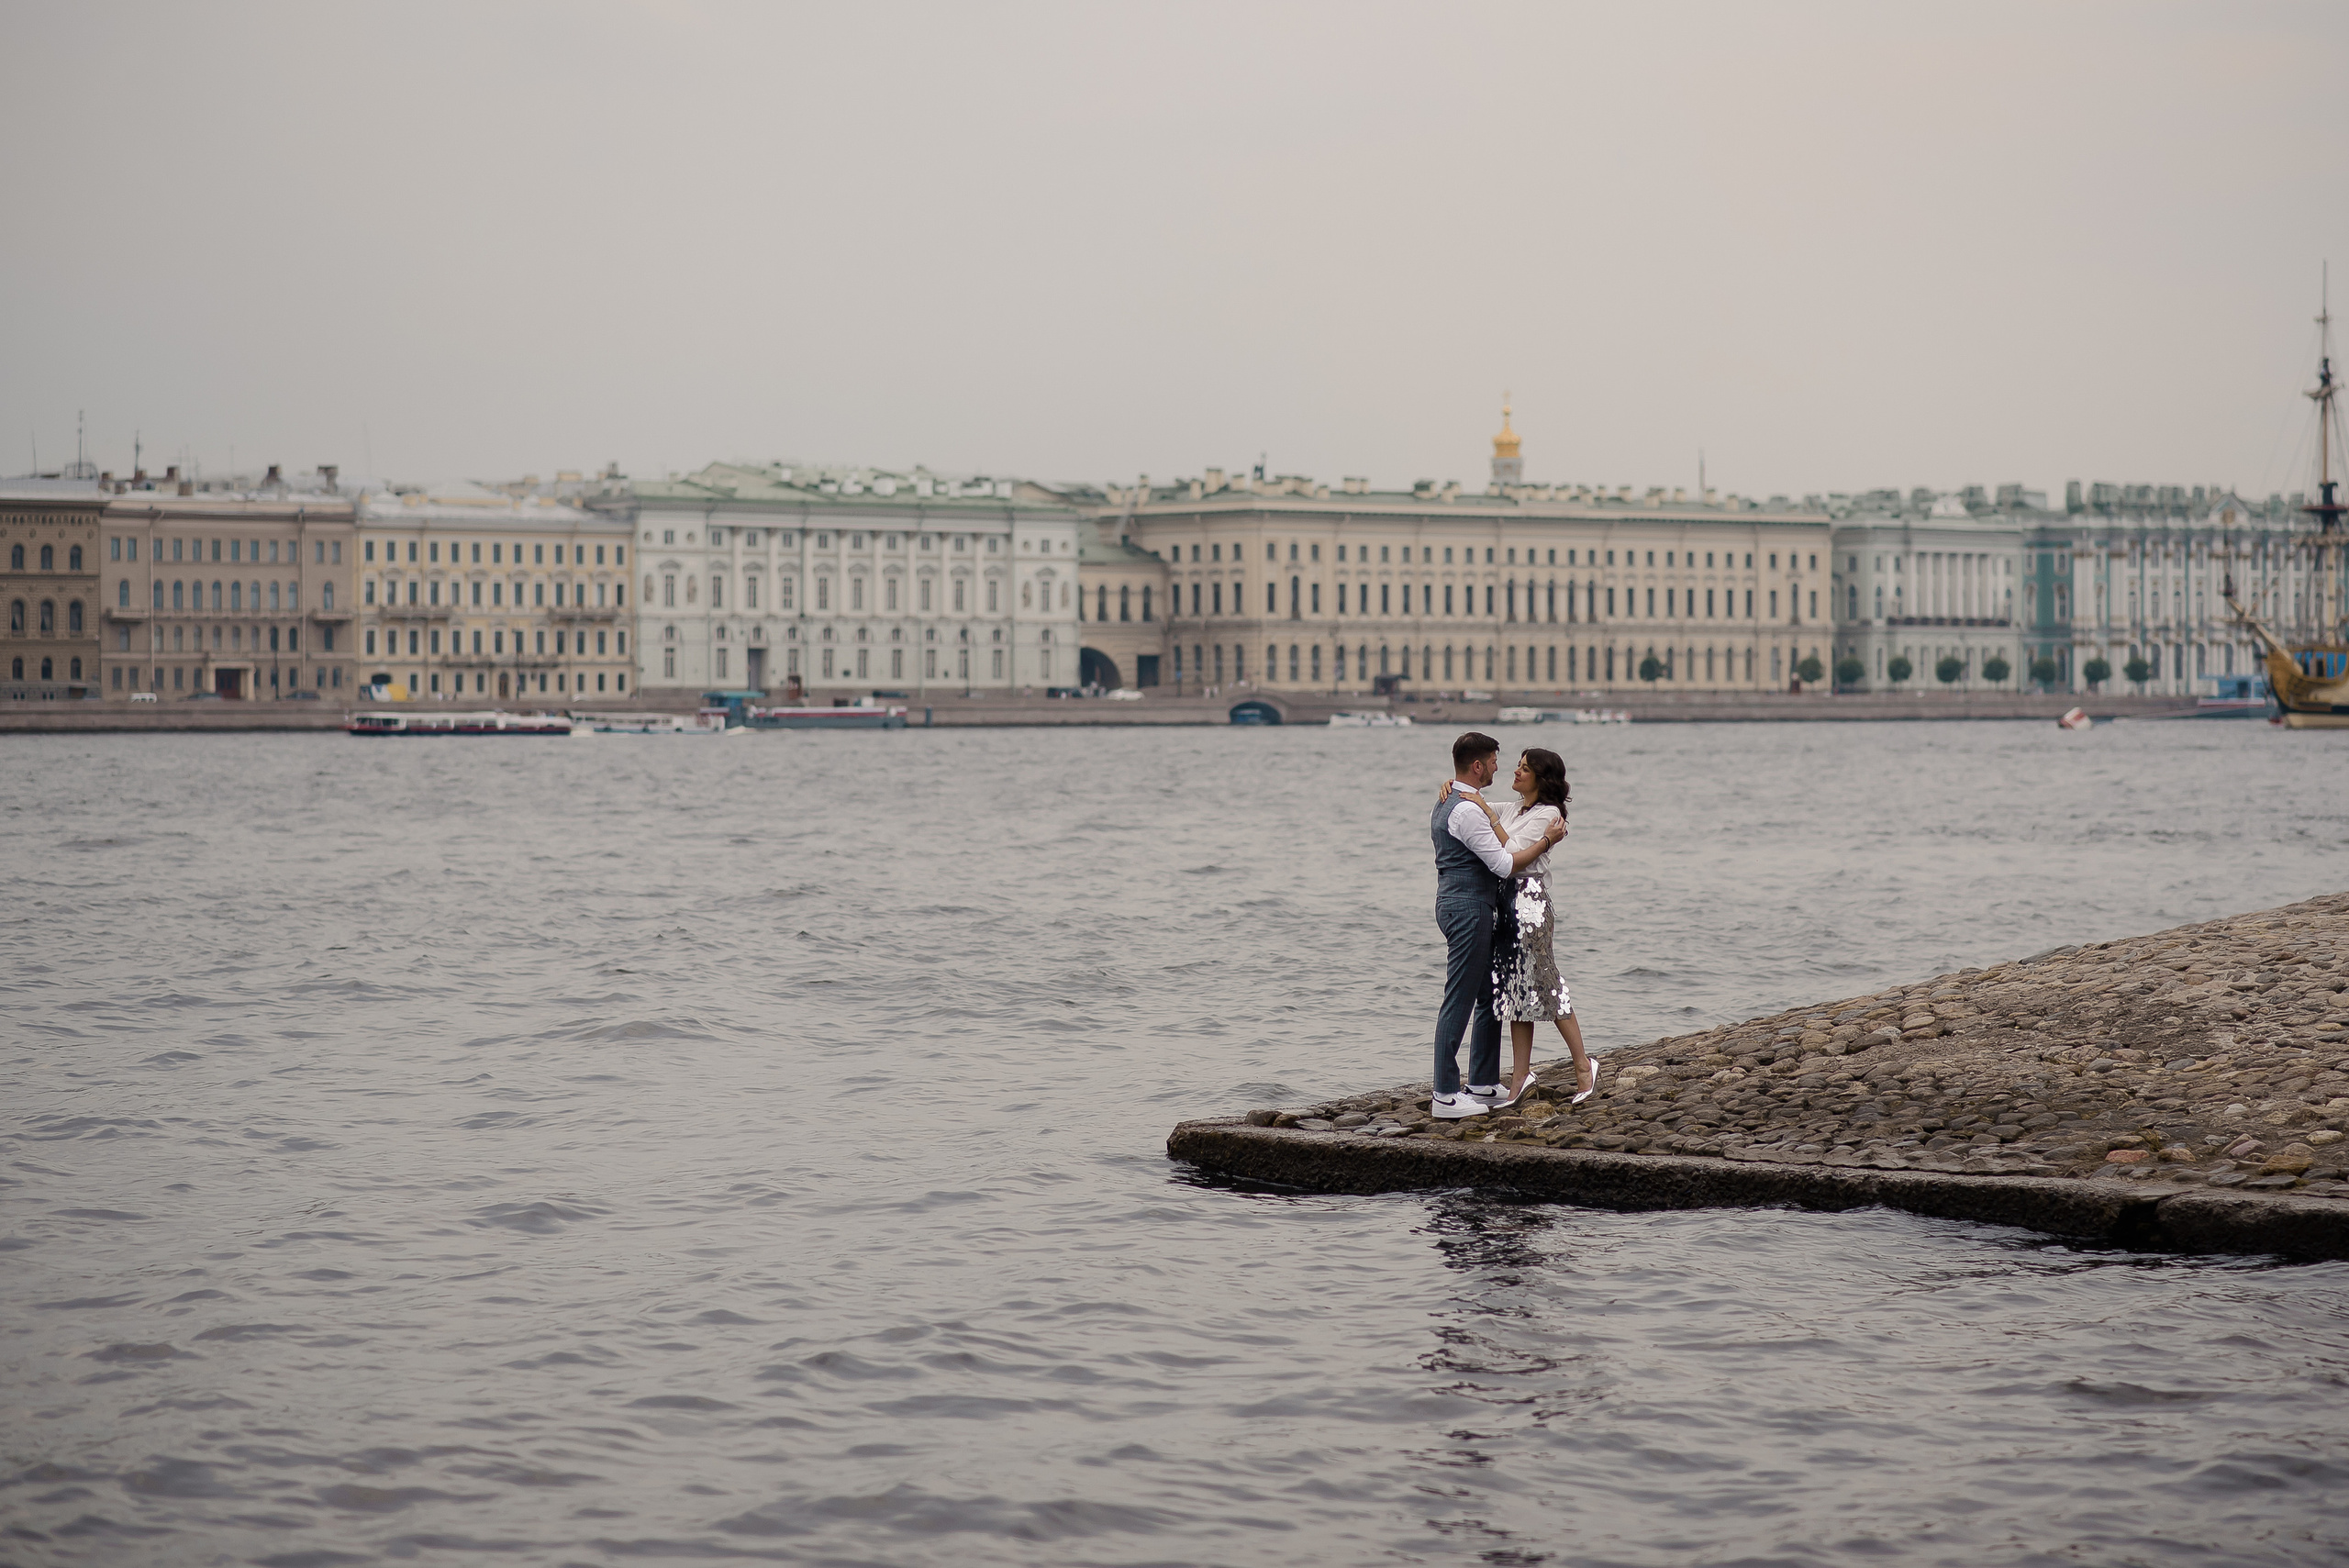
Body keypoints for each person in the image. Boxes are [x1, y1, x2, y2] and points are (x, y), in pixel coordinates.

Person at [1429, 732, 1564, 1120]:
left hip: (1470, 904)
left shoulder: (1459, 802)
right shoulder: (1466, 810)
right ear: (1477, 766)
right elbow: (1505, 865)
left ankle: (1484, 1082)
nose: (1498, 767)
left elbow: (1497, 816)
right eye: (1493, 760)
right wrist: (1545, 842)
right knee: (1460, 998)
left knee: (1489, 993)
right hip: (1467, 907)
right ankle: (1444, 1094)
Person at [1461, 748, 1598, 1106]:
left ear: (1542, 778)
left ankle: (1583, 1066)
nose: (1516, 773)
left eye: (1524, 769)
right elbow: (1479, 803)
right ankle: (1521, 1075)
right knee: (1516, 989)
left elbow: (1511, 853)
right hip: (1505, 903)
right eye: (1518, 766)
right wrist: (1451, 784)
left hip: (1530, 903)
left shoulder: (1549, 814)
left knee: (1546, 984)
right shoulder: (1514, 809)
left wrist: (1500, 825)